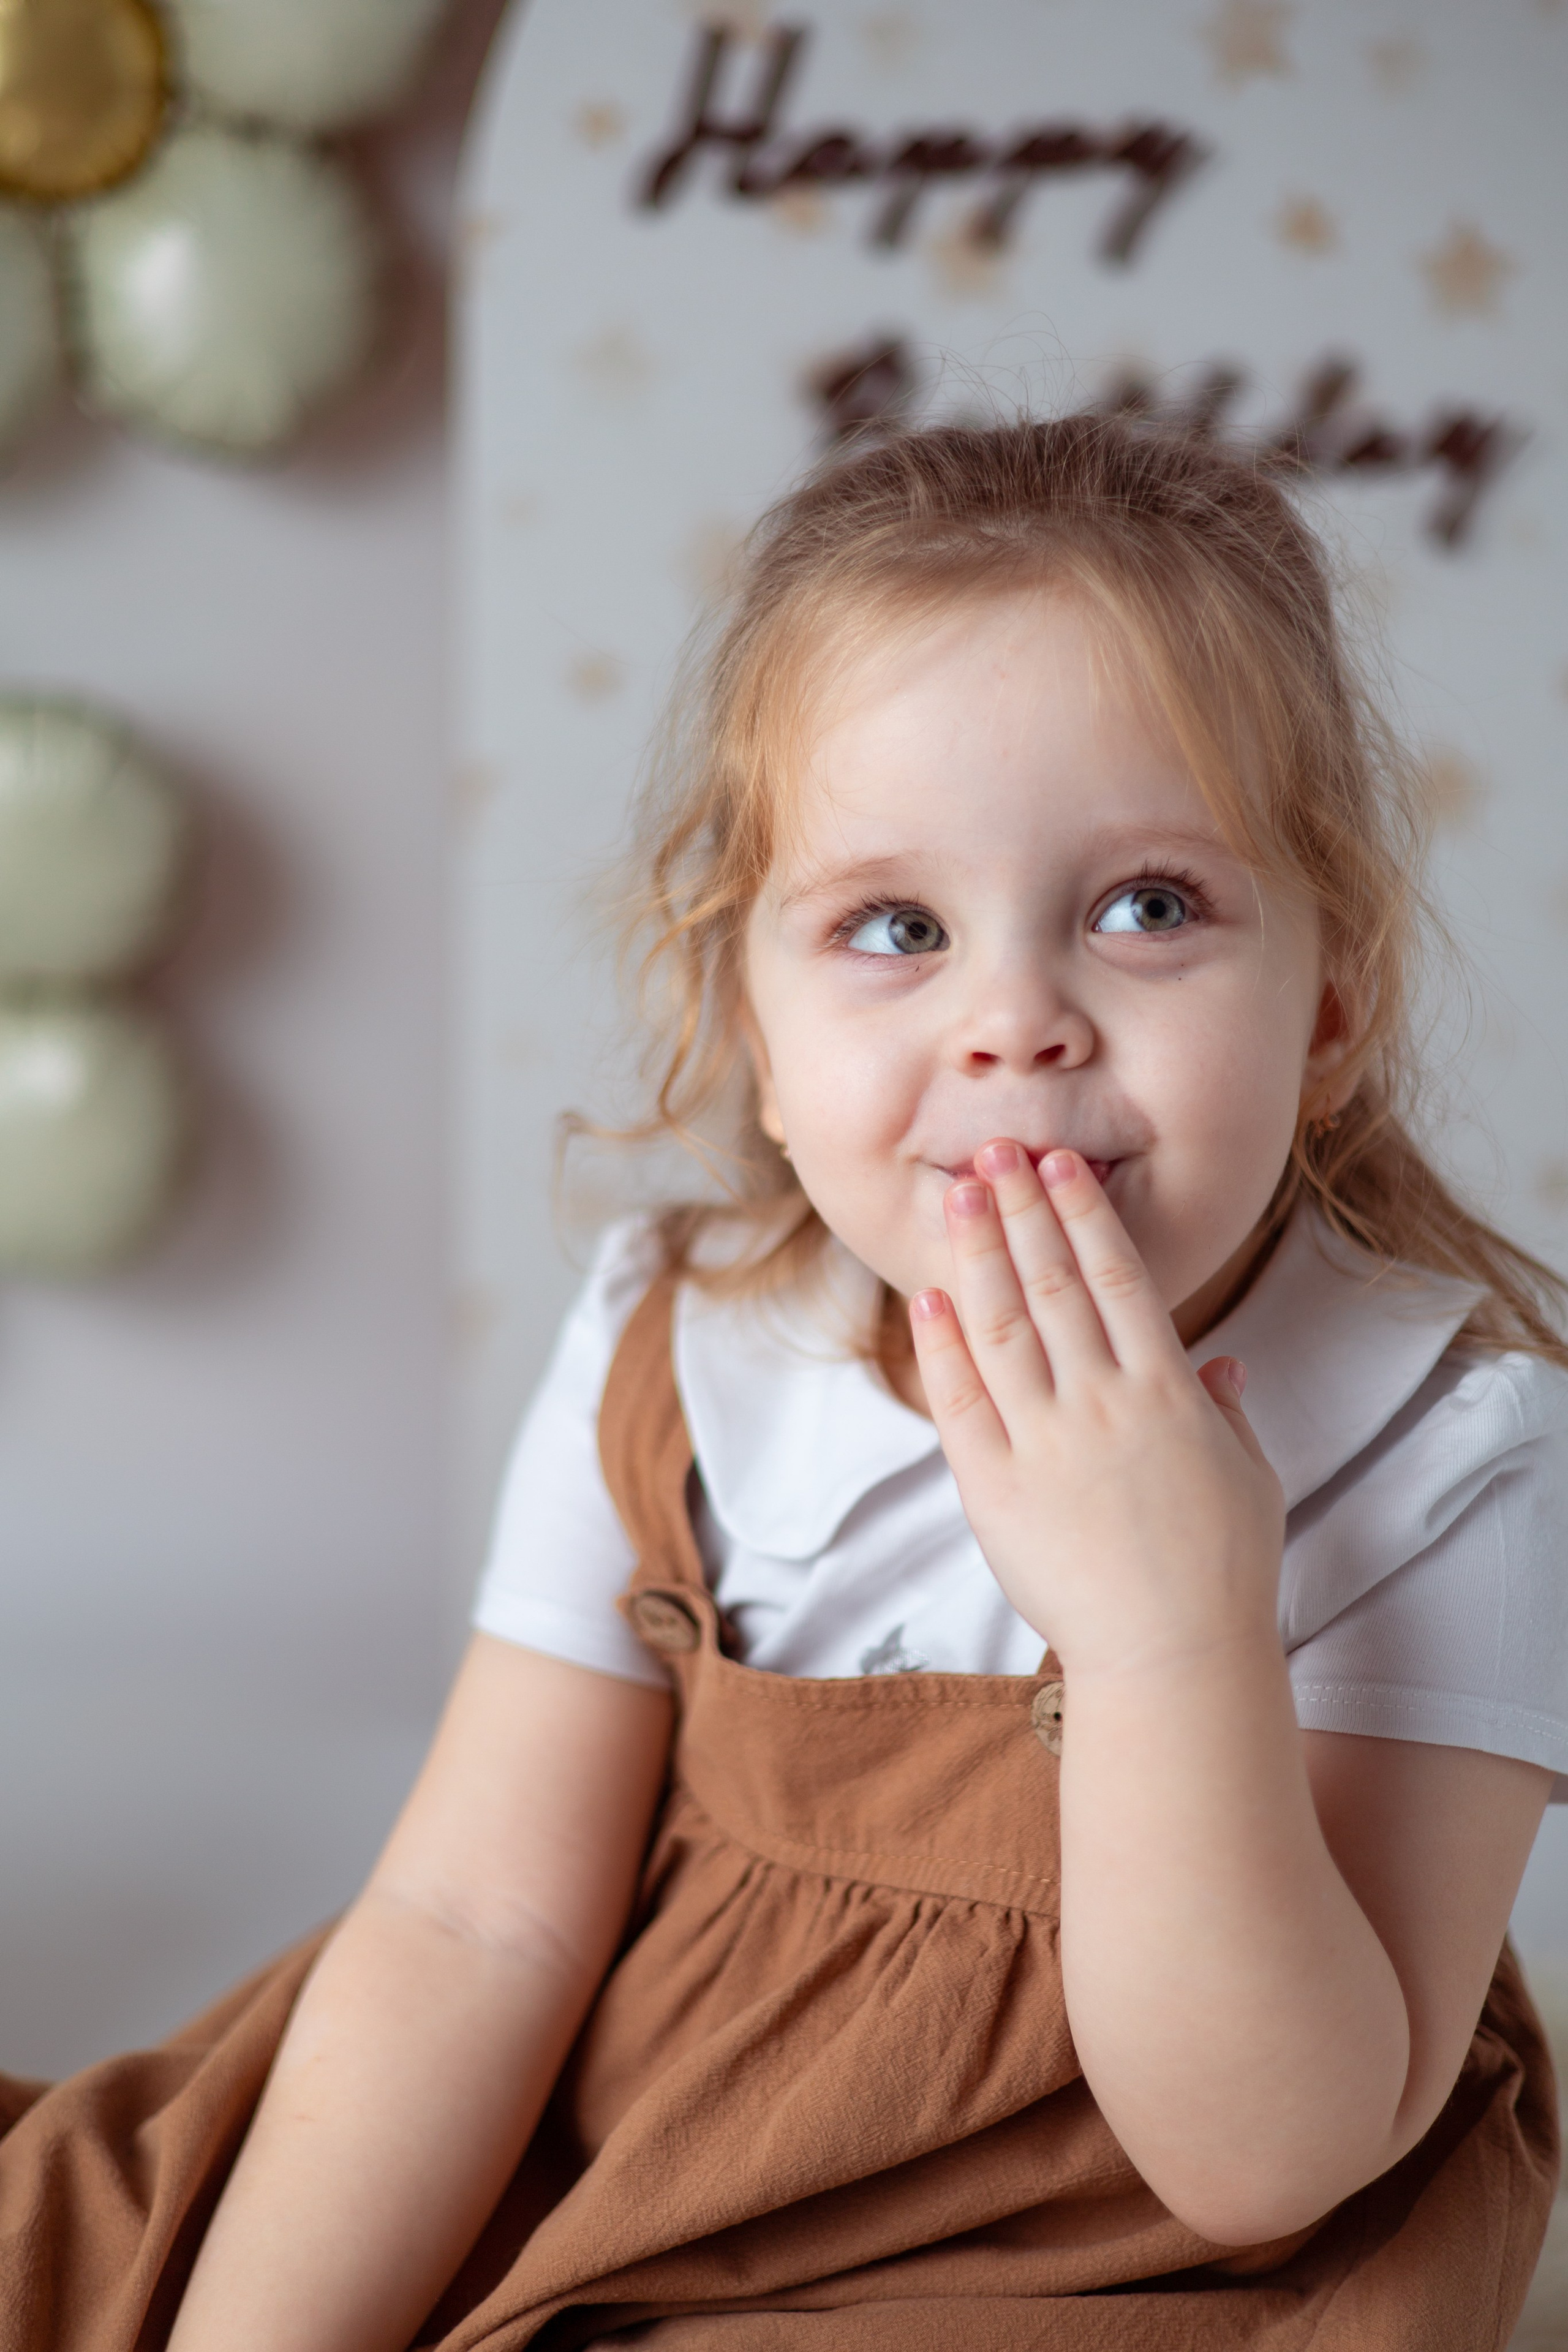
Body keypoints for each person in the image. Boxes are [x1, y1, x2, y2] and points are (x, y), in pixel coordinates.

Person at [5, 415, 1566, 2351]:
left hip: (1079, 2255)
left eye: (1149, 906)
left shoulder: (1452, 1448)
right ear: (751, 1012)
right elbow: (474, 1931)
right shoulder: (685, 1336)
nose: (1014, 1021)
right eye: (894, 929)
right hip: (613, 2114)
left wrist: (1169, 1628)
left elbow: (1267, 2165)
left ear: (1335, 1005)